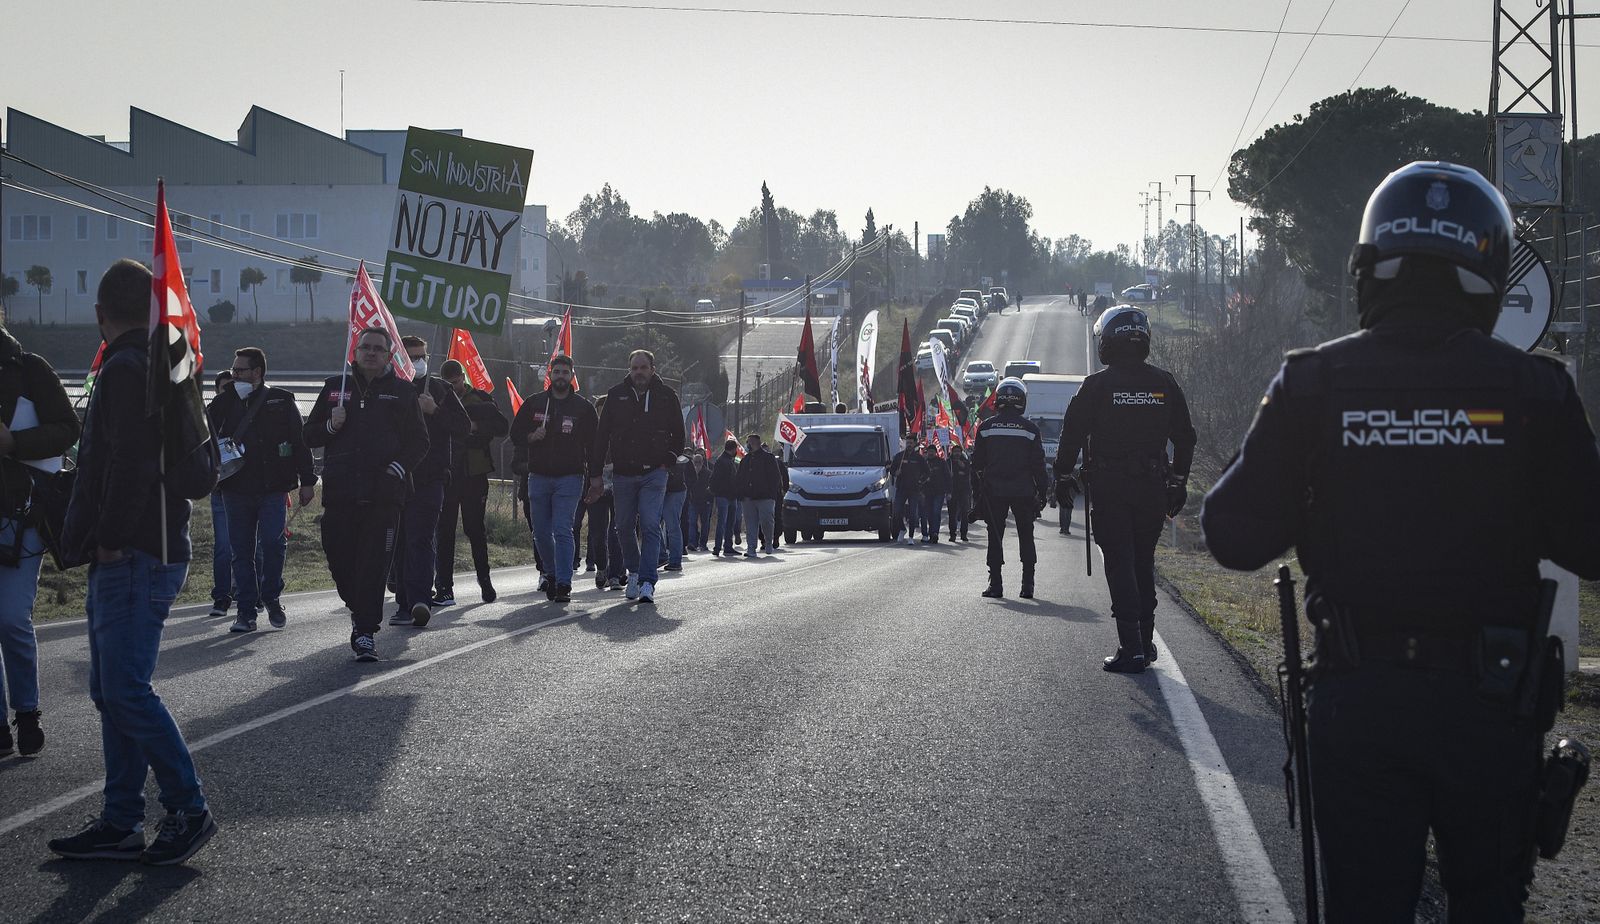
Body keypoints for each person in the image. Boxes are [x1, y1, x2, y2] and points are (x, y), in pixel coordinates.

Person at [1201, 161, 1600, 921]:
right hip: (1492, 707)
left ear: (1370, 266)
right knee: (1488, 905)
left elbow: (1231, 534)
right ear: (1484, 270)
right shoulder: (1537, 391)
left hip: (1361, 703)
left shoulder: (1313, 385)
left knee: (1367, 906)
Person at [50, 259, 215, 865]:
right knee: (110, 690)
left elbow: (129, 462)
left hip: (137, 550)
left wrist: (109, 537)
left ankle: (187, 807)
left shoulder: (125, 368)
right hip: (149, 545)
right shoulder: (163, 363)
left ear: (100, 314)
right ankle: (121, 820)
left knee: (123, 688)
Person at [1055, 306, 1195, 671]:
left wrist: (1062, 475)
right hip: (1152, 487)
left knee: (1120, 563)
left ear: (1107, 341)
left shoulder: (1097, 385)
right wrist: (1179, 482)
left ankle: (1131, 647)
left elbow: (1070, 435)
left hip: (1111, 488)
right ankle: (1146, 643)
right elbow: (1186, 438)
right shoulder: (1165, 383)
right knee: (1142, 561)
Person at [304, 327, 429, 661]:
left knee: (373, 567)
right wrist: (331, 426)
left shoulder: (402, 393)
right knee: (341, 562)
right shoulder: (335, 388)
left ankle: (364, 631)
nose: (371, 353)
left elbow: (420, 442)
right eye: (365, 348)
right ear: (354, 353)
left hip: (384, 498)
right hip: (340, 494)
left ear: (389, 356)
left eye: (378, 349)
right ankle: (359, 606)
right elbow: (309, 434)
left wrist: (397, 470)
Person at [0, 323, 78, 758]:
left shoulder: (30, 368)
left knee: (11, 617)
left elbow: (68, 428)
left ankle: (26, 710)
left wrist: (14, 442)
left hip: (21, 514)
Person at [207, 348, 316, 633]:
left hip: (272, 488)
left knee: (273, 544)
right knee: (240, 552)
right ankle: (245, 612)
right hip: (234, 489)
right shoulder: (222, 403)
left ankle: (271, 596)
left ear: (257, 372)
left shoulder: (281, 400)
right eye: (233, 369)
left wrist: (307, 481)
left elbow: (300, 441)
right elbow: (203, 440)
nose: (234, 375)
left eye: (240, 370)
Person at [587, 350, 684, 604]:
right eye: (634, 368)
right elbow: (601, 436)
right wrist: (595, 474)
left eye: (643, 367)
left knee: (651, 524)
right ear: (629, 370)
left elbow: (679, 434)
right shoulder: (616, 395)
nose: (638, 372)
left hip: (655, 473)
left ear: (653, 369)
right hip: (623, 474)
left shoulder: (667, 396)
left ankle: (647, 582)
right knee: (623, 526)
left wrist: (668, 460)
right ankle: (634, 571)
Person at [391, 336, 469, 626]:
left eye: (422, 356)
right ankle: (403, 603)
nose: (419, 362)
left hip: (431, 478)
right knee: (399, 542)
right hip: (397, 477)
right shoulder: (390, 390)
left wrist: (435, 410)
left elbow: (462, 427)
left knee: (421, 538)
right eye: (412, 357)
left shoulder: (440, 389)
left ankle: (421, 600)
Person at [510, 353, 596, 603]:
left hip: (570, 477)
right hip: (538, 476)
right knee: (540, 532)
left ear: (572, 376)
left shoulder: (583, 408)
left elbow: (593, 443)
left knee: (562, 529)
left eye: (565, 373)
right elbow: (515, 433)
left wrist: (594, 477)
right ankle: (549, 571)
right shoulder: (535, 403)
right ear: (550, 375)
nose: (560, 377)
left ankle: (563, 582)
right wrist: (530, 437)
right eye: (556, 372)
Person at [435, 360, 508, 605]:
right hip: (446, 473)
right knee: (444, 532)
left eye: (455, 382)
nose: (452, 387)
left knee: (475, 530)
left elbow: (501, 427)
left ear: (463, 378)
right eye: (448, 383)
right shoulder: (438, 398)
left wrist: (476, 427)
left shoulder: (480, 399)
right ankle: (444, 586)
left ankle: (485, 582)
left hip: (474, 473)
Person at [971, 378, 1048, 598]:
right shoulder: (1031, 429)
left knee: (995, 538)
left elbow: (976, 465)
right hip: (1023, 491)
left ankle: (995, 584)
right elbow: (1038, 465)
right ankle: (1028, 585)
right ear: (1022, 400)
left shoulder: (985, 428)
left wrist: (977, 498)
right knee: (1026, 536)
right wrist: (1043, 493)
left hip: (994, 491)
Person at [206, 370, 236, 619]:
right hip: (221, 489)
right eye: (223, 388)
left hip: (250, 488)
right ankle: (222, 595)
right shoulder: (211, 414)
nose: (228, 391)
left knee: (253, 546)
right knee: (223, 546)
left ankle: (252, 593)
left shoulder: (247, 410)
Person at [735, 433, 781, 558]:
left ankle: (768, 542)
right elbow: (739, 477)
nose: (747, 445)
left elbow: (775, 477)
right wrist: (741, 492)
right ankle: (751, 548)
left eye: (749, 442)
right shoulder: (745, 459)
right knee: (750, 524)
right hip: (748, 498)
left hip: (765, 497)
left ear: (755, 442)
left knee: (767, 521)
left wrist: (771, 493)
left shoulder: (768, 458)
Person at [710, 439, 740, 556]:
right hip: (725, 495)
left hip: (728, 495)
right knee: (724, 522)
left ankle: (726, 546)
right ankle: (719, 547)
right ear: (733, 449)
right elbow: (722, 479)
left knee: (728, 522)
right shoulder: (723, 461)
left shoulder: (725, 460)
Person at [661, 450, 688, 571]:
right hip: (659, 489)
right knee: (652, 524)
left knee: (672, 526)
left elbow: (678, 474)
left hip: (674, 491)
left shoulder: (678, 453)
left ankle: (676, 560)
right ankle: (661, 555)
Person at [921, 443, 949, 544]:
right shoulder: (924, 462)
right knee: (929, 513)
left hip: (939, 492)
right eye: (929, 452)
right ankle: (931, 531)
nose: (930, 453)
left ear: (936, 453)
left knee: (936, 512)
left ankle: (935, 533)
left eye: (932, 452)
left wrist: (949, 491)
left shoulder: (941, 462)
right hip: (927, 492)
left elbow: (947, 476)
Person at [685, 450, 712, 552]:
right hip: (693, 502)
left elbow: (712, 488)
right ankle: (692, 543)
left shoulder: (708, 473)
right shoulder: (690, 474)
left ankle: (703, 544)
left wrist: (709, 499)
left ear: (702, 462)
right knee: (692, 522)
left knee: (705, 524)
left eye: (698, 462)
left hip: (705, 502)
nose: (697, 464)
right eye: (695, 462)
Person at [946, 444, 972, 542]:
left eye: (958, 452)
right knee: (952, 514)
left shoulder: (965, 461)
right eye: (955, 451)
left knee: (964, 513)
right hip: (952, 491)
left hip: (964, 491)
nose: (957, 453)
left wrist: (964, 467)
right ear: (952, 452)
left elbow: (968, 473)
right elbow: (945, 475)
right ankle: (952, 534)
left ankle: (964, 534)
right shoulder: (949, 462)